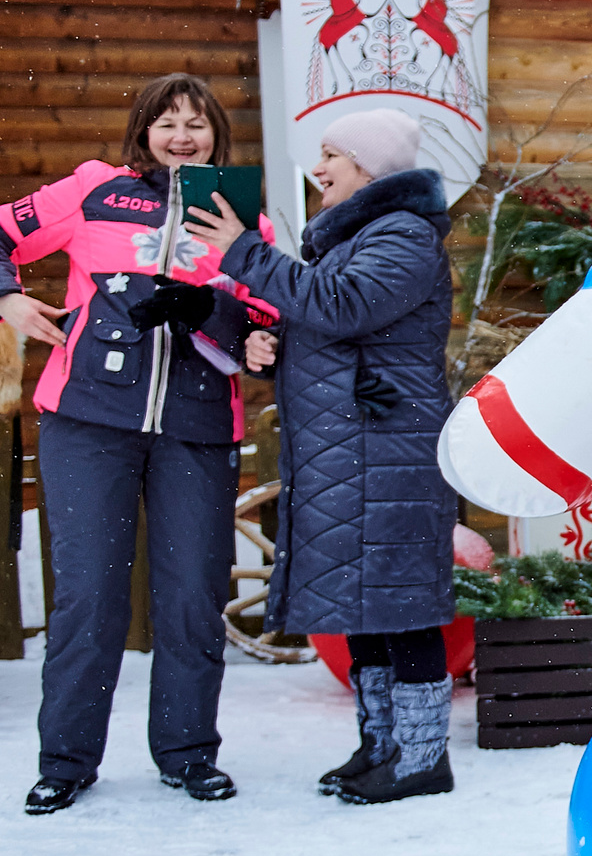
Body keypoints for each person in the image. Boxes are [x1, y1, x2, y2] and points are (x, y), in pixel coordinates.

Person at [0, 73, 276, 815]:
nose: (182, 136)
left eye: (196, 123)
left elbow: (266, 318)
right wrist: (1, 295)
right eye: (167, 122)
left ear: (215, 136)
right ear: (143, 130)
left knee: (194, 598)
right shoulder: (93, 191)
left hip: (198, 428)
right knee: (89, 597)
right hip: (88, 419)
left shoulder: (237, 213)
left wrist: (218, 313)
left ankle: (188, 753)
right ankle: (66, 761)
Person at [180, 108, 459, 804]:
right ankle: (382, 745)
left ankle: (424, 759)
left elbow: (340, 306)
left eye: (333, 155)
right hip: (355, 449)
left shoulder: (405, 233)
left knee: (403, 606)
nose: (320, 168)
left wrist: (243, 250)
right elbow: (332, 328)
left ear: (371, 167)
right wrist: (268, 342)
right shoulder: (361, 236)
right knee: (366, 606)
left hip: (387, 450)